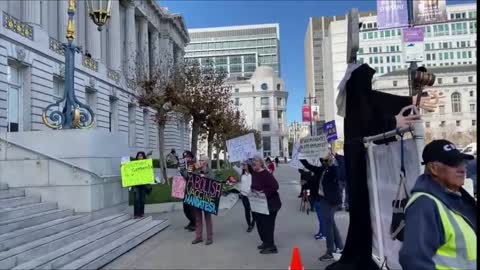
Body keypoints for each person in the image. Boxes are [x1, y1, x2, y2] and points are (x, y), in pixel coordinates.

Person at [328, 63, 441, 270]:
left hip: (363, 158)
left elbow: (378, 101)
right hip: (361, 158)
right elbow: (368, 116)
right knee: (365, 211)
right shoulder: (357, 101)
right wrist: (392, 121)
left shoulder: (360, 96)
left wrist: (412, 102)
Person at [399, 140, 476, 269]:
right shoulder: (424, 204)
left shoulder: (454, 197)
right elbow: (413, 260)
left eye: (462, 163)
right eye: (453, 163)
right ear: (434, 168)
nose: (462, 169)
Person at [301, 155, 344, 261]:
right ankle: (340, 247)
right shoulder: (322, 169)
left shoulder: (334, 170)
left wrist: (335, 157)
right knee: (331, 223)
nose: (325, 162)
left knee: (328, 225)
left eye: (327, 160)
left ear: (331, 161)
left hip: (332, 201)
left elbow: (341, 171)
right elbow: (309, 166)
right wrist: (300, 156)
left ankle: (330, 251)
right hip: (324, 200)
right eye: (324, 160)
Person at [251, 155, 282, 254]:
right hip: (260, 205)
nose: (253, 164)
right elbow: (254, 185)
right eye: (252, 163)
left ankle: (271, 247)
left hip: (271, 204)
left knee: (268, 225)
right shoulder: (255, 174)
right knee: (260, 224)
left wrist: (263, 192)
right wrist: (253, 191)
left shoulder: (266, 174)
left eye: (255, 162)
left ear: (260, 163)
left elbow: (275, 186)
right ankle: (265, 242)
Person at [191, 154, 216, 245]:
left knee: (207, 218)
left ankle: (209, 238)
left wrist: (204, 176)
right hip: (197, 197)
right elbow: (188, 175)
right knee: (198, 218)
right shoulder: (196, 170)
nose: (200, 161)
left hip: (206, 198)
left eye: (202, 160)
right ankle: (198, 237)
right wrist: (192, 166)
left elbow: (213, 181)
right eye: (200, 160)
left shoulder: (210, 171)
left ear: (206, 162)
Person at [237, 160, 255, 232]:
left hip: (252, 195)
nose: (243, 166)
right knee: (247, 210)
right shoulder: (242, 175)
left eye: (245, 164)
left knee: (253, 210)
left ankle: (254, 221)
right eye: (242, 165)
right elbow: (241, 184)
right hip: (244, 195)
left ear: (248, 165)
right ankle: (249, 225)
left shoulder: (253, 174)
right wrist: (240, 192)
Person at [179, 150, 196, 231]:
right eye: (184, 157)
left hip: (192, 190)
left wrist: (182, 170)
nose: (186, 158)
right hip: (185, 189)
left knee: (191, 208)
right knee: (186, 208)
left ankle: (195, 223)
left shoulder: (192, 165)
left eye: (187, 157)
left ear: (191, 157)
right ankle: (191, 221)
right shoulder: (184, 166)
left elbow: (187, 176)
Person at [132, 151, 151, 219]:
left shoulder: (146, 165)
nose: (140, 157)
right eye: (139, 156)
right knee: (136, 199)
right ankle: (136, 214)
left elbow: (148, 174)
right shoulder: (134, 165)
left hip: (143, 185)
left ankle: (141, 213)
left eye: (141, 156)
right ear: (137, 157)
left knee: (142, 200)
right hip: (136, 185)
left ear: (143, 157)